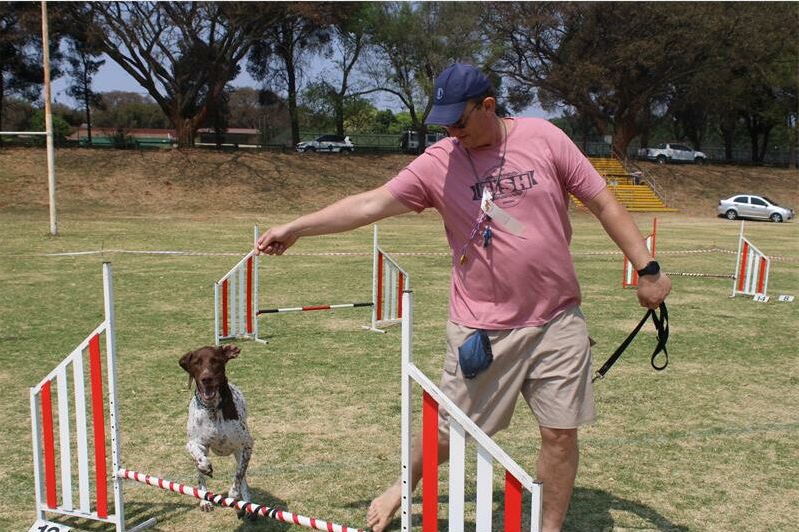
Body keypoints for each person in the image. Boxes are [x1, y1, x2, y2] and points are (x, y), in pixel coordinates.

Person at [255, 63, 671, 532]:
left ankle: (549, 528)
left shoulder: (546, 138)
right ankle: (401, 486)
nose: (451, 131)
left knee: (560, 434)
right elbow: (372, 203)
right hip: (483, 328)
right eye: (444, 123)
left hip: (557, 319)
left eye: (459, 120)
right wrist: (297, 228)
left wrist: (647, 267)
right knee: (449, 432)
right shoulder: (440, 162)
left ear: (488, 106)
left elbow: (603, 201)